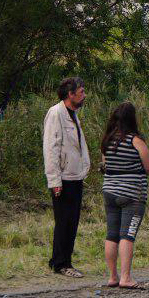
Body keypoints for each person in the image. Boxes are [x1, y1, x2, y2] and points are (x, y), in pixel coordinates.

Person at [100, 102, 149, 289]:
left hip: (109, 192)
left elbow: (104, 166)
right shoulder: (135, 140)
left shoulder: (107, 141)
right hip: (132, 194)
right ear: (132, 119)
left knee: (112, 235)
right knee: (127, 236)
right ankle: (126, 278)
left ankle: (113, 276)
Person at [43, 77, 90, 277]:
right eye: (80, 92)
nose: (84, 95)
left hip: (75, 176)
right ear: (70, 94)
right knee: (64, 221)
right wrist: (54, 181)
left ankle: (60, 260)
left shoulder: (73, 114)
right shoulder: (56, 113)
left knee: (72, 221)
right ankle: (62, 264)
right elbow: (51, 148)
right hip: (63, 178)